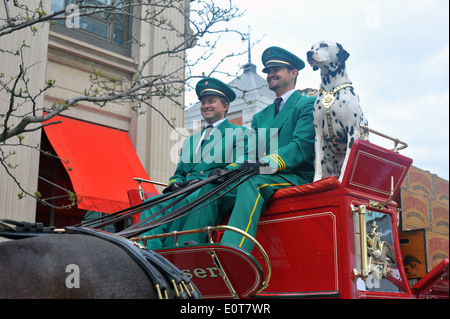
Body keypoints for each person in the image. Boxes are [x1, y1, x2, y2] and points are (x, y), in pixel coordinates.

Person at [181, 46, 316, 252]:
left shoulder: (307, 104)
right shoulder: (261, 116)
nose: (270, 75)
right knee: (211, 187)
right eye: (268, 71)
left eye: (276, 69)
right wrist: (228, 171)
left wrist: (264, 163)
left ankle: (235, 250)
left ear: (293, 73)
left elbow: (301, 147)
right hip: (263, 173)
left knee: (252, 182)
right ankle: (188, 248)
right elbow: (251, 153)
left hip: (292, 174)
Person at [138, 77, 251, 249]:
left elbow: (241, 162)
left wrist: (219, 173)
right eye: (203, 102)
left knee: (178, 203)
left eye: (211, 101)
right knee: (151, 202)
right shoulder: (191, 141)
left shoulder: (240, 132)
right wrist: (175, 185)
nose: (205, 106)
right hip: (186, 190)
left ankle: (159, 253)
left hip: (214, 190)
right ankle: (144, 251)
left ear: (225, 106)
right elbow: (179, 173)